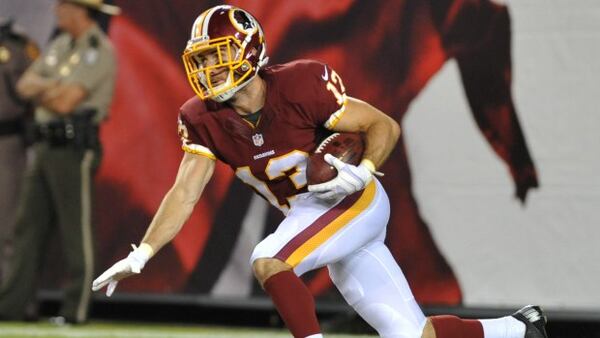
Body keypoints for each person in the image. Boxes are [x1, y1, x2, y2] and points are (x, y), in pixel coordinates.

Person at [92, 5, 547, 338]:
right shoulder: (202, 117)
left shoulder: (300, 84)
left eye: (217, 54)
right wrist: (143, 253)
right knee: (411, 334)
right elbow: (185, 192)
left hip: (352, 199)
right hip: (310, 217)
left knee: (269, 259)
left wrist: (364, 170)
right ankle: (520, 328)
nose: (208, 68)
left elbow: (380, 126)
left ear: (248, 52)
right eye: (203, 59)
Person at [0, 0, 119, 324]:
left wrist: (46, 90)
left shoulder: (99, 50)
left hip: (74, 149)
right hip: (44, 145)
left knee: (75, 230)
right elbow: (24, 86)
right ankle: (11, 305)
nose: (56, 11)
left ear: (79, 10)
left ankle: (75, 309)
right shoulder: (59, 45)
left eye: (63, 5)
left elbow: (67, 102)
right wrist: (51, 89)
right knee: (28, 229)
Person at [0, 18, 38, 283]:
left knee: (8, 224)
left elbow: (35, 93)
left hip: (6, 141)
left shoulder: (16, 46)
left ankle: (11, 298)